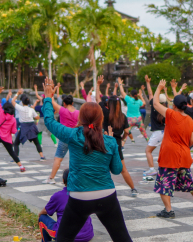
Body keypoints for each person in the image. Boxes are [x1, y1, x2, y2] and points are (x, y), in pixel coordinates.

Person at [42, 77, 131, 241]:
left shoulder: (72, 135)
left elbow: (48, 121)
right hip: (107, 196)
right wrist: (113, 145)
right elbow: (117, 170)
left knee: (63, 239)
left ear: (80, 118)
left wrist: (48, 98)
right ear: (101, 119)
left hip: (80, 197)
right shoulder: (110, 141)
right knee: (122, 238)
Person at [153, 79, 193, 219]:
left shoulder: (171, 114)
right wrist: (184, 146)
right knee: (189, 181)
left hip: (169, 155)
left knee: (164, 182)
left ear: (174, 105)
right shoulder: (190, 120)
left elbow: (155, 103)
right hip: (184, 155)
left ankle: (169, 210)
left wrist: (159, 88)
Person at [94, 76, 137, 197]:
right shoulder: (122, 116)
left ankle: (101, 189)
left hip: (105, 142)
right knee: (123, 169)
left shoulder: (105, 112)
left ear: (108, 104)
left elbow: (98, 100)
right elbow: (127, 131)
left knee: (103, 167)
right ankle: (133, 189)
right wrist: (122, 139)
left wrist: (98, 85)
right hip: (117, 144)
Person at [38, 169, 94, 242]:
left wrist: (39, 215)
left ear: (64, 181)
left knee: (42, 218)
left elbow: (45, 211)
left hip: (64, 237)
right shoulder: (87, 194)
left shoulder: (58, 196)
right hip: (87, 236)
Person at [43, 91, 79, 184]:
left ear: (64, 103)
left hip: (64, 137)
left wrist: (51, 93)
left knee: (58, 158)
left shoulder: (63, 110)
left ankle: (51, 178)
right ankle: (75, 178)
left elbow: (51, 102)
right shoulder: (78, 113)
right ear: (72, 103)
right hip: (74, 138)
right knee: (74, 158)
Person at [0, 88, 26, 174]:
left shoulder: (1, 112)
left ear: (4, 108)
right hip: (6, 137)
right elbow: (13, 131)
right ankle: (21, 166)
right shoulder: (13, 120)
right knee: (12, 152)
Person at [12, 89, 45, 160]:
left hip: (24, 127)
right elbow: (37, 117)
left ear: (22, 102)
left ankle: (16, 157)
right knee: (36, 143)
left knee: (16, 143)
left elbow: (13, 101)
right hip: (31, 127)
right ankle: (42, 156)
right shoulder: (31, 109)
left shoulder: (21, 108)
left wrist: (17, 93)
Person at [144, 75, 166, 177]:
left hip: (158, 133)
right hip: (165, 132)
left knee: (148, 151)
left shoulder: (154, 105)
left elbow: (150, 93)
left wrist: (148, 82)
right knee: (164, 151)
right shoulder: (166, 109)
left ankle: (152, 169)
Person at [117, 77, 148, 142]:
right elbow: (144, 103)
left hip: (130, 119)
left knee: (126, 133)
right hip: (138, 118)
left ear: (131, 94)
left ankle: (122, 145)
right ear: (136, 94)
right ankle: (149, 142)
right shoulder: (139, 101)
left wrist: (120, 84)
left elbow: (122, 92)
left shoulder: (128, 99)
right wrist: (141, 96)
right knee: (144, 134)